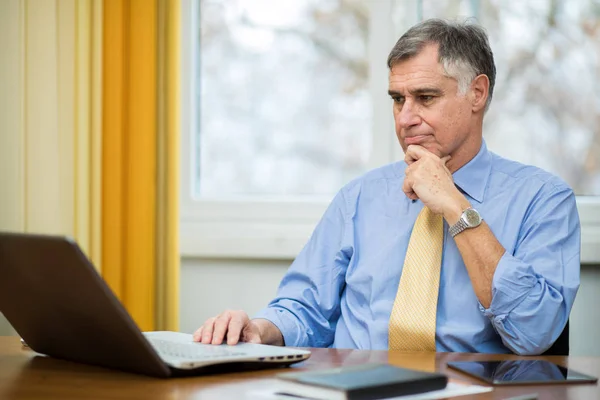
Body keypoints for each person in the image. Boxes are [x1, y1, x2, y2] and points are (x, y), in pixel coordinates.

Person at [193, 18, 580, 355]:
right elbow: (303, 308)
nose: (406, 118)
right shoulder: (359, 197)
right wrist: (259, 330)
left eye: (425, 98)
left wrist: (455, 206)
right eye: (398, 99)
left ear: (476, 94)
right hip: (352, 386)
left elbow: (535, 335)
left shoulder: (545, 199)